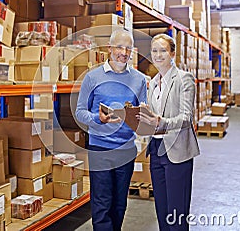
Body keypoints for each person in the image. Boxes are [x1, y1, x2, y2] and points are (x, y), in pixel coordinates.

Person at [75, 29, 147, 231]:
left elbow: (143, 113)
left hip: (125, 149)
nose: (123, 52)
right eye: (119, 47)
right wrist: (97, 119)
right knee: (101, 202)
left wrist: (143, 118)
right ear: (109, 49)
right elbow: (80, 112)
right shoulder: (92, 77)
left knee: (119, 203)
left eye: (128, 48)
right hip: (100, 149)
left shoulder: (139, 79)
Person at [138, 33, 200, 231]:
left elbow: (186, 117)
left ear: (172, 53)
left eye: (163, 50)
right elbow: (153, 118)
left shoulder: (184, 79)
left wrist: (160, 122)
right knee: (162, 210)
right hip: (156, 149)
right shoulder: (153, 82)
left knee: (177, 212)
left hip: (177, 150)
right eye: (154, 51)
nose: (158, 55)